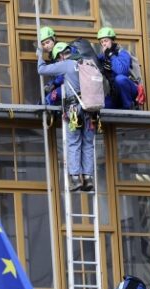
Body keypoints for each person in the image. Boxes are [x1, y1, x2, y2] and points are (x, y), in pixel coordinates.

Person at [37, 42, 96, 192]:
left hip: (74, 109)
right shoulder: (87, 63)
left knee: (74, 142)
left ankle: (75, 179)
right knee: (88, 144)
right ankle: (88, 178)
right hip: (91, 111)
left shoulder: (67, 64)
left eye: (57, 59)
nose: (58, 61)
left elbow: (42, 70)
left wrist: (39, 55)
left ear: (61, 56)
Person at [96, 27, 138, 110]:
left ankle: (129, 107)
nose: (103, 44)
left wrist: (111, 55)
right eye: (101, 42)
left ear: (112, 40)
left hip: (129, 89)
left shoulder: (123, 53)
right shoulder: (103, 57)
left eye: (106, 41)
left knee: (120, 79)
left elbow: (121, 71)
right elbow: (93, 61)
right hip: (114, 93)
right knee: (101, 106)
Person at [38, 26, 63, 105]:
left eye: (48, 42)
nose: (46, 46)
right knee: (43, 99)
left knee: (47, 100)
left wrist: (54, 84)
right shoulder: (52, 56)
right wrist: (49, 85)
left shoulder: (61, 51)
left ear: (54, 39)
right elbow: (55, 75)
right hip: (61, 85)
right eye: (43, 44)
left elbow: (64, 71)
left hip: (69, 86)